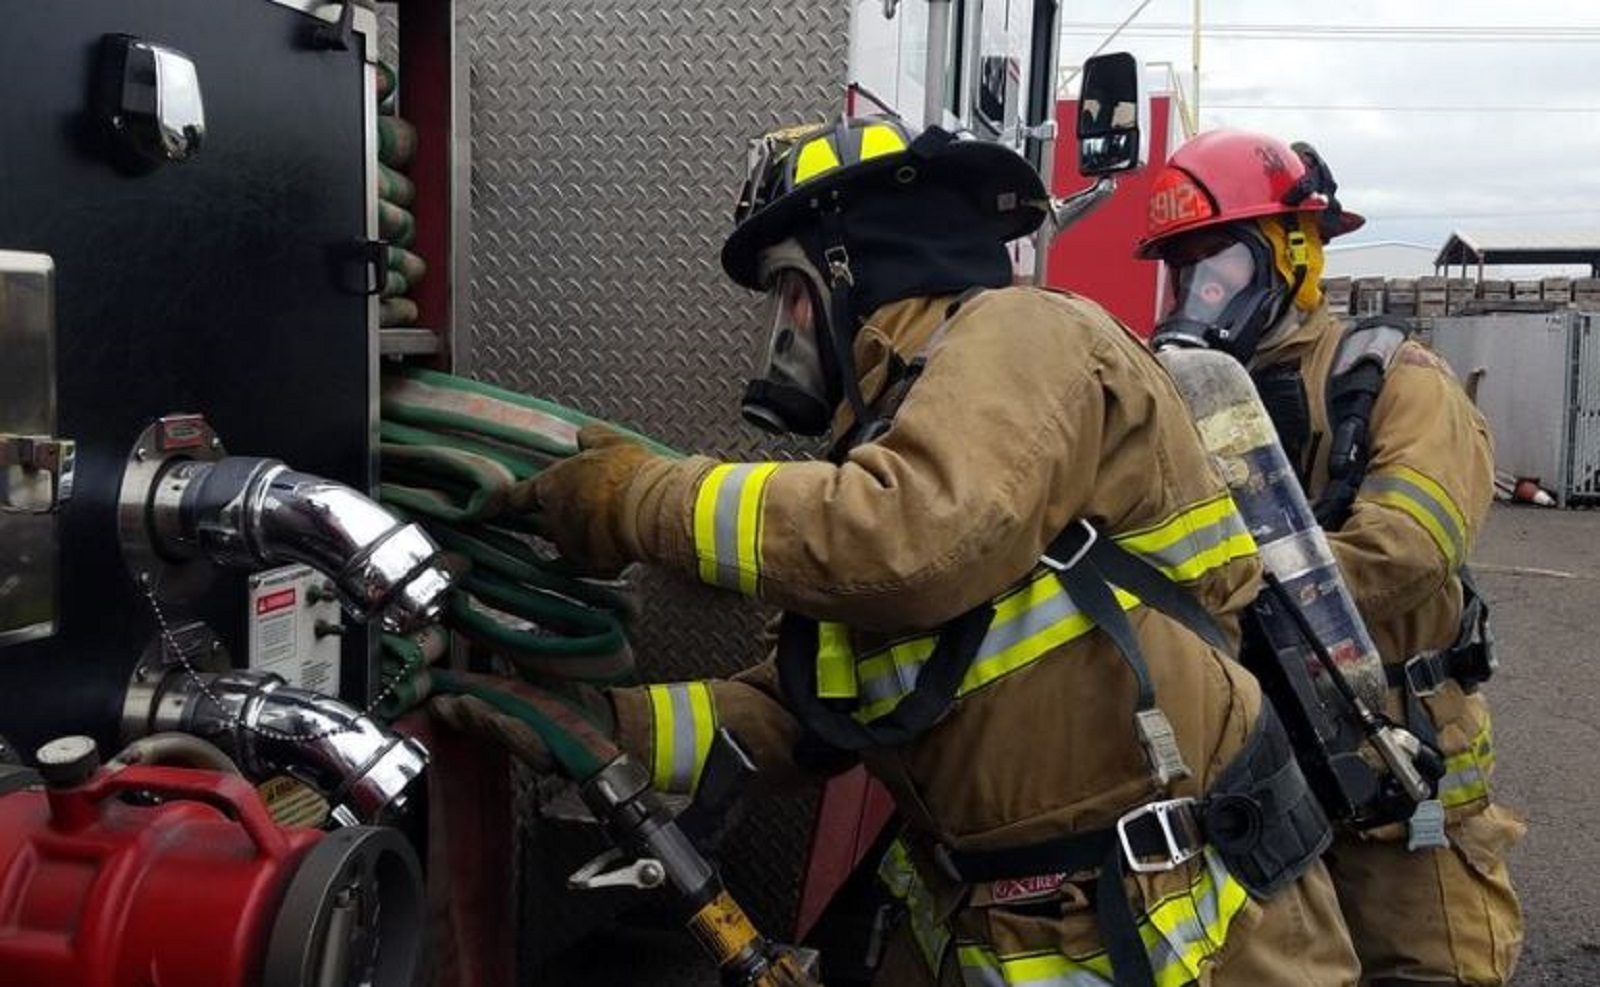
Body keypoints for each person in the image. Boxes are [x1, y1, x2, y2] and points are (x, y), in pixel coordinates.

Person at [528, 114, 1360, 986]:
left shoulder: (1024, 333)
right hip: (1010, 928)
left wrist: (638, 500)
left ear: (855, 266)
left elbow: (907, 537)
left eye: (791, 291)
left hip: (1194, 937)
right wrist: (599, 726)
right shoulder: (899, 437)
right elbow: (805, 714)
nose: (787, 324)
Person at [1135, 128, 1525, 987]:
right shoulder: (1187, 398)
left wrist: (1227, 586)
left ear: (1296, 254)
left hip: (1395, 765)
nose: (1198, 294)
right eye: (1181, 270)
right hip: (1260, 766)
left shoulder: (1393, 378)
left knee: (1423, 969)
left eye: (1221, 264)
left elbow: (1409, 546)